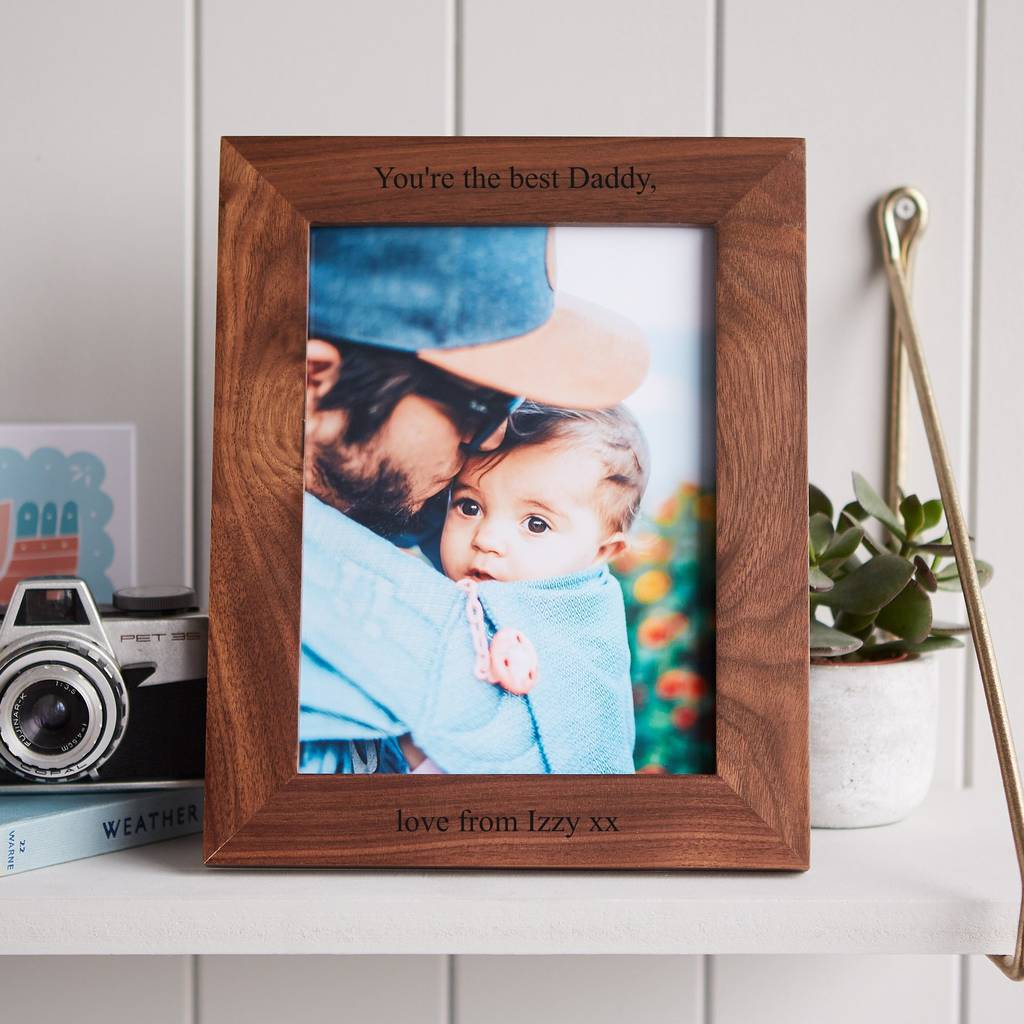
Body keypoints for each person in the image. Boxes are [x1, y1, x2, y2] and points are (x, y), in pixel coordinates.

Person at [299, 225, 650, 774]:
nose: (490, 441)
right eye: (478, 403)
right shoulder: (295, 591)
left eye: (511, 401)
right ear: (314, 381)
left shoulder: (398, 513)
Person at [397, 401, 650, 774]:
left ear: (602, 551)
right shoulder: (428, 594)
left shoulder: (581, 645)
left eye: (535, 524)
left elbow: (587, 752)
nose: (486, 539)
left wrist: (418, 755)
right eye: (469, 507)